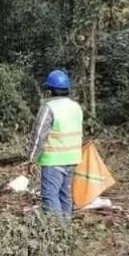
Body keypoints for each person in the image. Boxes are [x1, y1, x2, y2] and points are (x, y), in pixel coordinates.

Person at [26, 70, 84, 222]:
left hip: (53, 160)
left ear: (49, 90)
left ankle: (57, 231)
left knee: (50, 196)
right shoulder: (76, 107)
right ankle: (66, 228)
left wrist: (31, 159)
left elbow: (39, 135)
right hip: (72, 159)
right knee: (65, 195)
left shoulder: (49, 108)